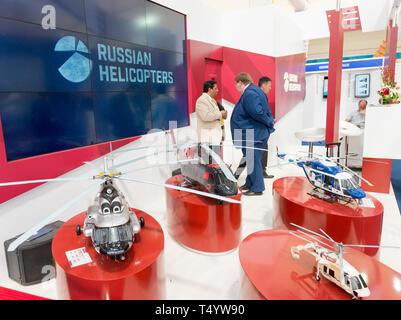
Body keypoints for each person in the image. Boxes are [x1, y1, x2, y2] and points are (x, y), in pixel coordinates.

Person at [230, 73, 275, 196]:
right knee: (251, 159)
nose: (236, 87)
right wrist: (269, 122)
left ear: (240, 82)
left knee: (253, 160)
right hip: (255, 133)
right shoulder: (255, 91)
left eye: (236, 84)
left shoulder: (249, 93)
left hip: (254, 133)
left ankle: (257, 188)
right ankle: (249, 183)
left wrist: (269, 122)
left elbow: (257, 112)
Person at [195, 80, 227, 161]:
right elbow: (205, 116)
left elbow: (216, 115)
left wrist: (222, 114)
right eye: (215, 88)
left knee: (215, 163)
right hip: (207, 139)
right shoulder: (201, 100)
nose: (217, 90)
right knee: (209, 164)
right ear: (209, 89)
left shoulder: (213, 101)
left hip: (214, 138)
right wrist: (220, 114)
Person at [258, 76, 276, 179]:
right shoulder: (257, 96)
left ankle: (262, 171)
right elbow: (259, 113)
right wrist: (269, 121)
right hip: (258, 130)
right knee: (250, 155)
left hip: (263, 129)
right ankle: (236, 175)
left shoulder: (262, 96)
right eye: (269, 86)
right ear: (263, 85)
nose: (270, 88)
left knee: (264, 151)